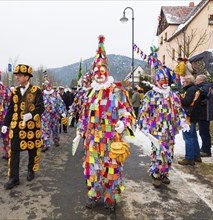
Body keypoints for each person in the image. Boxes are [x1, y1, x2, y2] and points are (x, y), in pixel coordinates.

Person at [76, 35, 136, 211]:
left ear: (107, 72)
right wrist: (80, 130)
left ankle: (110, 197)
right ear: (93, 74)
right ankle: (94, 195)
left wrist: (123, 123)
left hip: (111, 138)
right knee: (93, 169)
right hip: (92, 139)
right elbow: (84, 116)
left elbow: (127, 112)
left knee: (111, 168)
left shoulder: (117, 92)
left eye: (102, 71)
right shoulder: (89, 94)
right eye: (96, 72)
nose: (99, 74)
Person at [138, 53, 189, 187]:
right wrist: (143, 126)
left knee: (169, 152)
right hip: (156, 130)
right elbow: (143, 112)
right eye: (161, 80)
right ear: (156, 81)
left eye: (166, 80)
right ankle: (156, 174)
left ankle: (165, 173)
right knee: (158, 152)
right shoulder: (150, 95)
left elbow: (179, 109)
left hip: (170, 130)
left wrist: (183, 121)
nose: (164, 82)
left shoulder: (173, 95)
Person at [1, 64, 44, 190]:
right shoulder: (14, 91)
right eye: (17, 75)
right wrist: (5, 124)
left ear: (27, 77)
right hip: (16, 126)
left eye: (20, 75)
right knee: (14, 151)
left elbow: (41, 107)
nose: (17, 78)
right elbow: (10, 110)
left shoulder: (36, 90)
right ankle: (14, 178)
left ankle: (31, 170)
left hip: (31, 126)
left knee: (32, 150)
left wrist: (31, 115)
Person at [178, 75, 202, 166]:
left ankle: (189, 158)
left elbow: (187, 102)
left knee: (188, 137)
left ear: (187, 82)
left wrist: (180, 97)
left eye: (184, 82)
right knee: (193, 136)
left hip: (188, 116)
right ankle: (196, 156)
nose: (183, 83)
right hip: (193, 115)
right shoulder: (195, 89)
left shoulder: (190, 90)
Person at [41, 79, 67, 152]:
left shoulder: (56, 94)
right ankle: (46, 144)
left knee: (55, 128)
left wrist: (63, 112)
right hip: (45, 116)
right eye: (45, 85)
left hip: (54, 115)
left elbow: (60, 103)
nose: (47, 87)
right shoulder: (42, 94)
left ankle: (56, 140)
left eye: (48, 85)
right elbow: (39, 104)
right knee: (45, 129)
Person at [195, 74, 213, 157]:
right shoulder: (206, 86)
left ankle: (206, 150)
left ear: (201, 81)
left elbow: (204, 98)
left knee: (204, 132)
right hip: (204, 112)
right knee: (203, 132)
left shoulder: (205, 87)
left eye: (196, 80)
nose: (196, 82)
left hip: (205, 113)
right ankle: (204, 148)